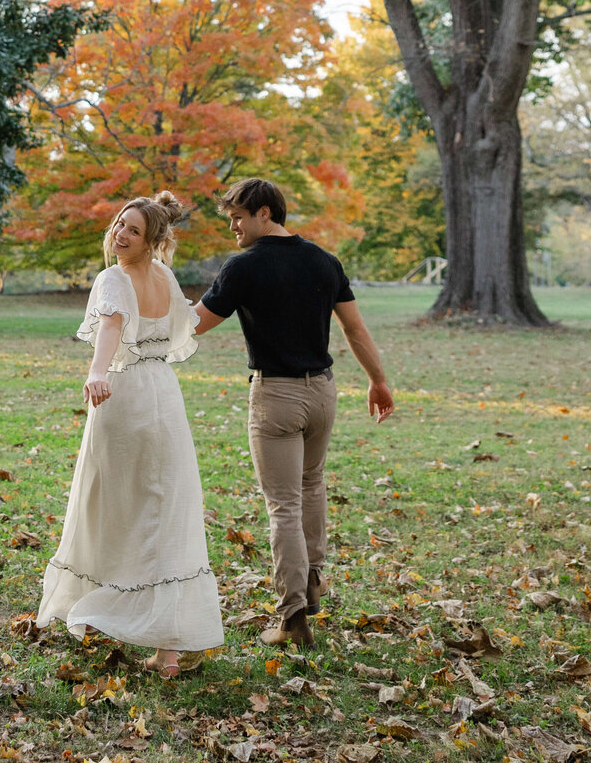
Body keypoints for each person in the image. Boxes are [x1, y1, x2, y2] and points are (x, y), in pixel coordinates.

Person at [191, 176, 395, 653]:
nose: (233, 228)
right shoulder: (325, 261)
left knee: (283, 504)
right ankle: (314, 581)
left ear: (265, 213)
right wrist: (378, 381)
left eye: (238, 218)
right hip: (323, 393)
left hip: (276, 396)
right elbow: (355, 328)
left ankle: (293, 616)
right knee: (311, 486)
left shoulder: (243, 267)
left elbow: (196, 323)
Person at [36, 191, 224, 679]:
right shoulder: (164, 278)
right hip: (163, 390)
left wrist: (98, 372)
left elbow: (112, 329)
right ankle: (165, 644)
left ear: (153, 240)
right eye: (119, 224)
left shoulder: (114, 279)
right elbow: (187, 328)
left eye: (133, 230)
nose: (120, 234)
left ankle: (128, 617)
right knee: (160, 505)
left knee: (115, 503)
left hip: (124, 394)